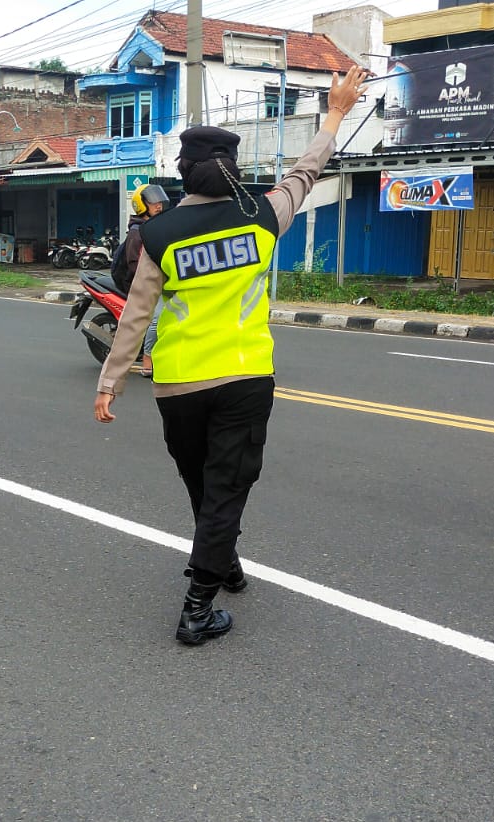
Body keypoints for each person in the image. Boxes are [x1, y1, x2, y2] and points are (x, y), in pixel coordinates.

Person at [92, 66, 369, 645]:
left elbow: (136, 312)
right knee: (225, 488)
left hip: (178, 383)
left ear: (182, 173)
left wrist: (110, 381)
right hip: (244, 378)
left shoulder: (161, 233)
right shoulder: (263, 214)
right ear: (234, 170)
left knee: (204, 485)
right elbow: (306, 170)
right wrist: (337, 112)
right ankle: (198, 607)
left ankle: (225, 564)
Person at [112, 183, 171, 378]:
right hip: (140, 285)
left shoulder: (153, 228)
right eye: (152, 201)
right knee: (157, 318)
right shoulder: (137, 232)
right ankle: (147, 359)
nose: (158, 205)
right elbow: (134, 264)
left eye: (158, 199)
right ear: (141, 205)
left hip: (157, 282)